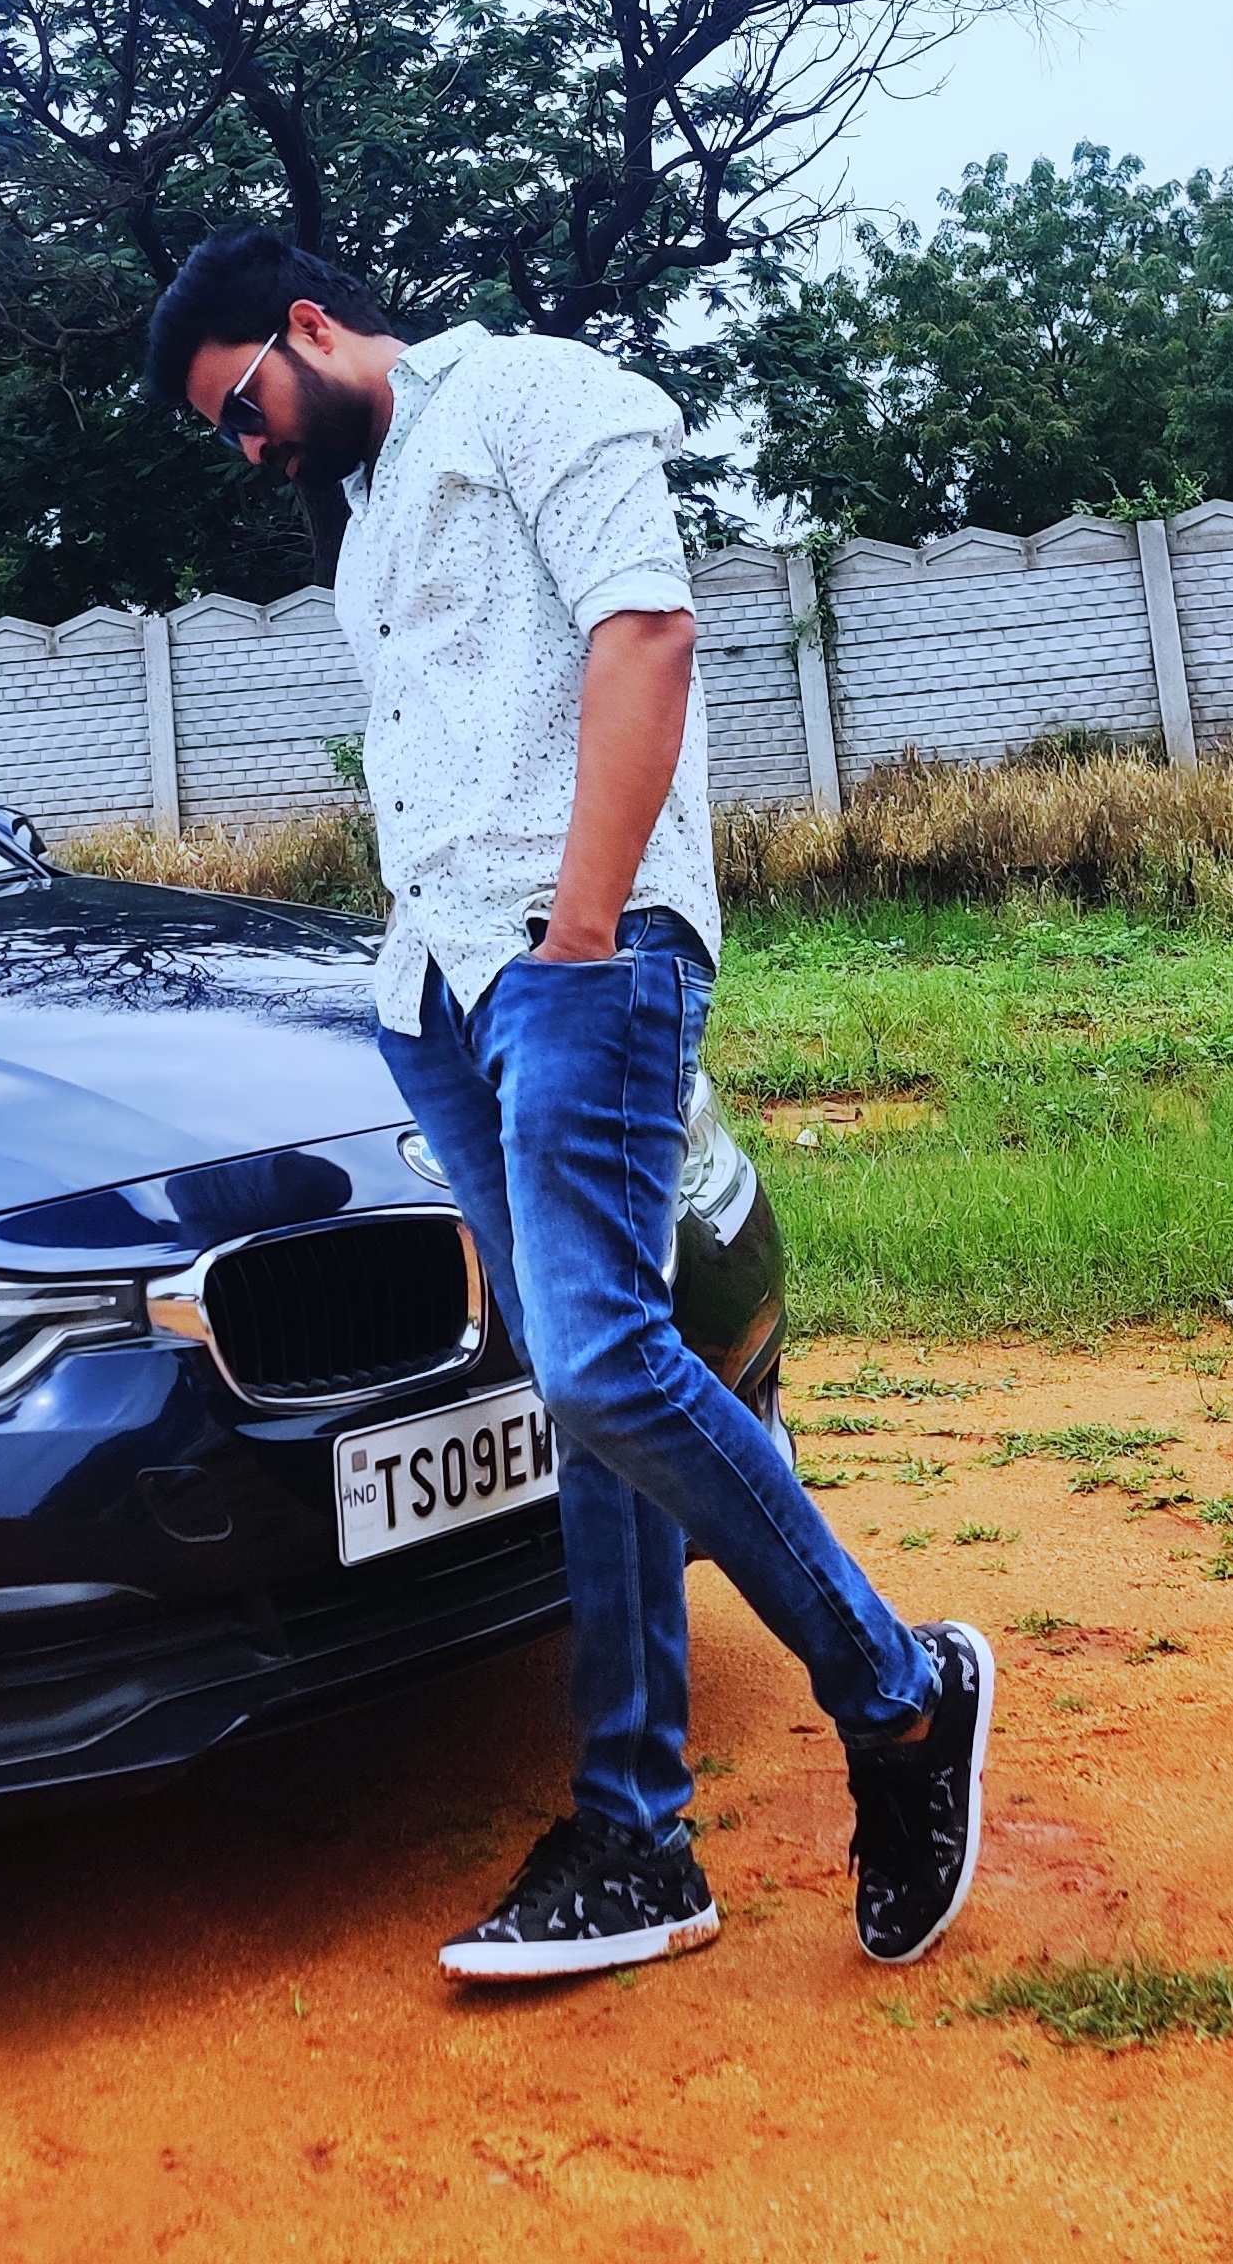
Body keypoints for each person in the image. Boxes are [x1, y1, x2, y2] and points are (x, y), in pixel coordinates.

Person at [145, 230, 993, 1984]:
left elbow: (648, 633)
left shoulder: (529, 392)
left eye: (241, 407)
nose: (249, 447)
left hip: (581, 962)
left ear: (308, 325)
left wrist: (583, 936)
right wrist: (432, 990)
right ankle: (633, 1837)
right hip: (444, 996)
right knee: (582, 1398)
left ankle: (903, 1696)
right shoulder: (368, 514)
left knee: (607, 1367)